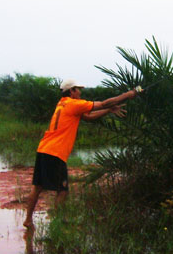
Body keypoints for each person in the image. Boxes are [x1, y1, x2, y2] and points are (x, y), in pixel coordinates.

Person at [23, 78, 140, 227]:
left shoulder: (62, 104)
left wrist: (109, 110)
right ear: (71, 91)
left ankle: (28, 220)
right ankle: (57, 223)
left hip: (44, 149)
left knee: (38, 187)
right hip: (55, 152)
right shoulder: (74, 104)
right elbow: (104, 103)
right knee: (62, 190)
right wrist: (129, 94)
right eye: (78, 89)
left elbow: (89, 117)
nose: (80, 92)